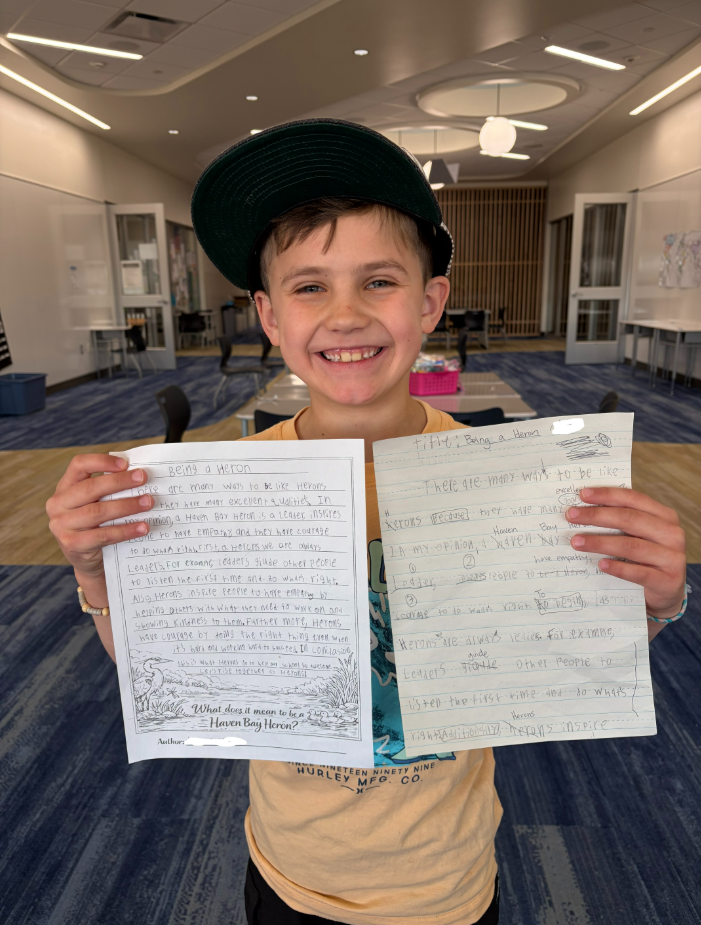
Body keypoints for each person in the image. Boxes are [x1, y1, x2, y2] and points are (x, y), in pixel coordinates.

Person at [47, 120, 688, 925]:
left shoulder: (512, 485)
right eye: (309, 287)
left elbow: (563, 654)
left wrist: (652, 602)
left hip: (445, 883)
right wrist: (97, 575)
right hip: (289, 872)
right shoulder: (223, 493)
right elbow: (165, 671)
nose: (344, 314)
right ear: (268, 316)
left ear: (429, 302)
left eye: (377, 280)